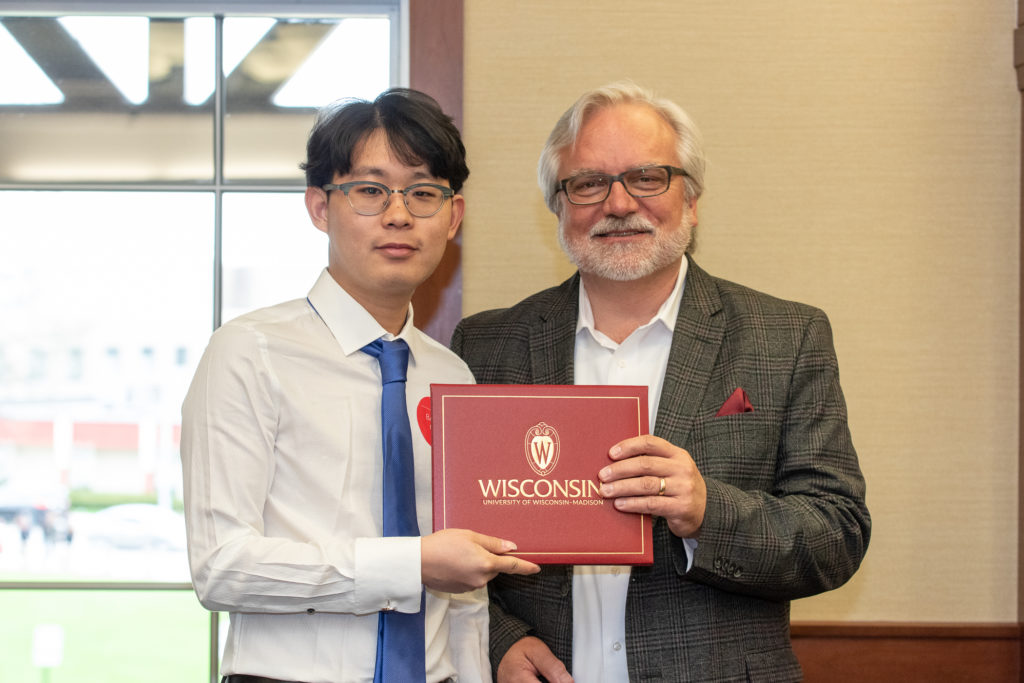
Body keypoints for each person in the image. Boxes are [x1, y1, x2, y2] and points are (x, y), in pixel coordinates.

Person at [450, 81, 871, 682]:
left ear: (692, 200)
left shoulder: (787, 335)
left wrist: (707, 512)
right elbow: (443, 530)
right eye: (588, 183)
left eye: (647, 177)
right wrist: (499, 642)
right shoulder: (487, 345)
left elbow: (838, 533)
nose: (619, 203)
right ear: (559, 206)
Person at [181, 88, 539, 683]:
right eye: (370, 190)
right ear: (320, 207)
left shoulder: (453, 375)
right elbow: (222, 566)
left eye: (423, 193)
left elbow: (468, 589)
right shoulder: (249, 352)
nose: (399, 214)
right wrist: (410, 564)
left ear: (453, 217)